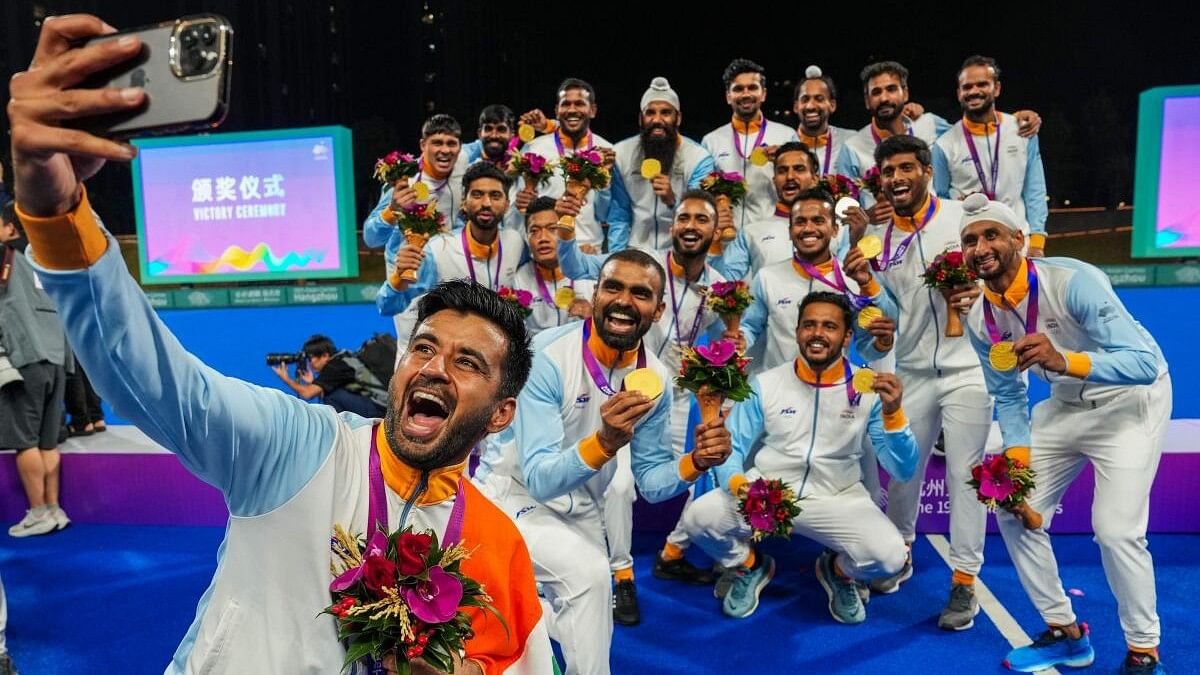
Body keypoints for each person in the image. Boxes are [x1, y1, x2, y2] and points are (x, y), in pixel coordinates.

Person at [8, 14, 553, 673]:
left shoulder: (499, 545)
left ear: (502, 410)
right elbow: (155, 378)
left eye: (468, 362)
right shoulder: (302, 449)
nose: (434, 367)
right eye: (425, 346)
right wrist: (56, 208)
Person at [477, 246, 732, 675]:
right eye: (613, 287)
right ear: (594, 295)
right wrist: (607, 442)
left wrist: (696, 462)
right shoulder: (546, 357)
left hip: (582, 508)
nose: (624, 301)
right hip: (512, 497)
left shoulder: (658, 378)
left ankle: (528, 618)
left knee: (590, 612)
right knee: (591, 576)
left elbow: (651, 483)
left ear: (658, 310)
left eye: (640, 293)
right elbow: (539, 478)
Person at [959, 194, 1172, 675]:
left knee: (1116, 531)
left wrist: (1065, 361)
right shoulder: (982, 318)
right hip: (1064, 408)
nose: (981, 247)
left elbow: (1144, 363)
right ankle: (1065, 632)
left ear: (1019, 240)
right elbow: (1010, 397)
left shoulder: (1073, 281)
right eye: (970, 240)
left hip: (1129, 404)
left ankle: (1144, 651)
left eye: (991, 235)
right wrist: (1016, 467)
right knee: (1016, 510)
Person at [686, 292, 919, 622]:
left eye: (829, 326)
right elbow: (731, 448)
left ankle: (838, 572)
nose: (818, 333)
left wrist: (894, 414)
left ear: (847, 336)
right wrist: (742, 489)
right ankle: (750, 566)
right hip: (767, 492)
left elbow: (904, 468)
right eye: (809, 325)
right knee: (699, 518)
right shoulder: (766, 384)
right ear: (797, 332)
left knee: (891, 557)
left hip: (836, 497)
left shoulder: (869, 390)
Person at [559, 192, 732, 593]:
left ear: (714, 229)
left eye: (700, 220)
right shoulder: (643, 269)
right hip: (621, 388)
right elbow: (577, 265)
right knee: (617, 483)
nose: (690, 226)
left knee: (702, 470)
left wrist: (733, 343)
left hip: (677, 398)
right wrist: (566, 233)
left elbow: (725, 344)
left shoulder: (721, 288)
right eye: (683, 218)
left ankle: (673, 551)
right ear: (671, 226)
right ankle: (615, 572)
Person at [862, 136, 994, 631]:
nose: (895, 178)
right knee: (901, 470)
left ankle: (964, 580)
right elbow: (885, 313)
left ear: (925, 171)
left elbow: (1005, 259)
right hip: (912, 368)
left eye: (904, 168)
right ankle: (899, 552)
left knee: (966, 476)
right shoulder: (878, 240)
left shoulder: (961, 218)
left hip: (968, 370)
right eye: (887, 172)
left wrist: (978, 290)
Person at [736, 187, 896, 374]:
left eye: (818, 221)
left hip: (832, 391)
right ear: (789, 232)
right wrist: (740, 340)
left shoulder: (853, 280)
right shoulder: (767, 277)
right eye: (800, 222)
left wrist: (882, 344)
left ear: (835, 229)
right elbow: (750, 327)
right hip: (780, 391)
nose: (808, 228)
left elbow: (865, 347)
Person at [0, 200, 71, 537]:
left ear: (10, 229)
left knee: (25, 442)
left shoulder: (5, 255)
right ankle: (54, 509)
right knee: (47, 442)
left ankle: (39, 512)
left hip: (25, 358)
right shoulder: (42, 259)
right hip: (55, 357)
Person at [933, 55, 1048, 256]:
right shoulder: (944, 145)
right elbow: (940, 200)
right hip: (972, 248)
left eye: (982, 84)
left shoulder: (1022, 131)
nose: (974, 91)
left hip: (1019, 242)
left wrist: (1038, 242)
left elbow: (1034, 190)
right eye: (967, 87)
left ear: (997, 88)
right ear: (959, 93)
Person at [376, 162, 525, 316]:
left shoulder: (515, 242)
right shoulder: (438, 249)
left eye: (495, 196)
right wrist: (397, 279)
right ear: (464, 203)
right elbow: (387, 307)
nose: (486, 203)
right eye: (477, 194)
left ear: (507, 205)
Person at [606, 77, 714, 253]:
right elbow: (620, 215)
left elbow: (701, 213)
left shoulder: (699, 158)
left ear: (678, 118)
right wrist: (617, 255)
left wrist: (674, 201)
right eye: (650, 113)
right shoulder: (622, 154)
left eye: (665, 112)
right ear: (641, 118)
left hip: (680, 253)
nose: (657, 120)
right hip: (635, 251)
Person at [702, 59, 800, 237]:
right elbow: (703, 191)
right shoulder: (711, 141)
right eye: (738, 89)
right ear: (728, 96)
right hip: (727, 236)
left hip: (775, 233)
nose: (746, 94)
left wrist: (784, 161)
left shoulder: (787, 136)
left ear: (763, 94)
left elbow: (803, 186)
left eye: (752, 87)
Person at [521, 78, 615, 253]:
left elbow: (607, 215)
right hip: (546, 251)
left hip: (589, 251)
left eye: (579, 103)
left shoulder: (607, 152)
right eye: (566, 104)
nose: (572, 110)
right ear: (557, 110)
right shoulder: (534, 149)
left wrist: (606, 181)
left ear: (592, 110)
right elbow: (521, 208)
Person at [710, 142, 822, 281]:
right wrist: (714, 243)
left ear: (814, 179)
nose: (790, 177)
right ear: (774, 181)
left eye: (799, 169)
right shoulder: (751, 233)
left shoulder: (838, 230)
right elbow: (722, 280)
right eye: (782, 171)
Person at [510, 197, 594, 335]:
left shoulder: (590, 274)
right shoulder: (518, 280)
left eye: (552, 229)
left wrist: (593, 318)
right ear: (527, 237)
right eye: (534, 231)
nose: (543, 238)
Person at [270, 334, 387, 418]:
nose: (310, 363)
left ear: (325, 355)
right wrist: (313, 382)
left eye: (311, 358)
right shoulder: (342, 359)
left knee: (330, 395)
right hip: (382, 405)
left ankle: (343, 431)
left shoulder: (334, 367)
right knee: (330, 392)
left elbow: (307, 393)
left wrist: (286, 379)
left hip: (379, 409)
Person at [793, 66, 853, 175]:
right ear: (796, 107)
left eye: (819, 99)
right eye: (805, 99)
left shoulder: (851, 141)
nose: (810, 106)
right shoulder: (783, 142)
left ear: (832, 105)